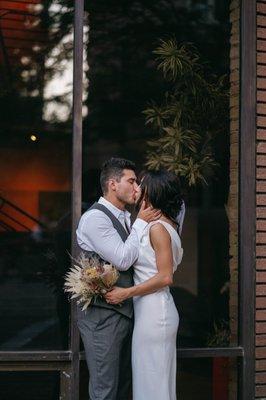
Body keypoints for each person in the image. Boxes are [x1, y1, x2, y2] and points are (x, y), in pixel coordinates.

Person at [76, 157, 161, 400]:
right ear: (113, 184)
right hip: (103, 319)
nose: (137, 188)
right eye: (132, 181)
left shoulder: (125, 215)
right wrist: (141, 222)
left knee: (123, 388)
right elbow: (123, 259)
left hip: (125, 312)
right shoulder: (95, 218)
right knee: (105, 390)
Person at [106, 169, 184, 400]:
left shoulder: (158, 228)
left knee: (152, 384)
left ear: (152, 192)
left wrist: (125, 293)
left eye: (141, 184)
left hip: (155, 312)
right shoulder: (162, 224)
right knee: (153, 383)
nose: (137, 188)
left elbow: (165, 276)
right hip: (151, 311)